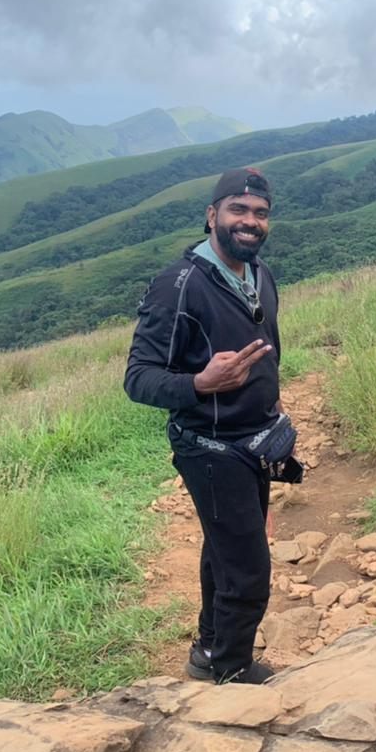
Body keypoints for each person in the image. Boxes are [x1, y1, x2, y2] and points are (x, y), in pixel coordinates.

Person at [124, 167, 283, 685]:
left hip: (255, 441)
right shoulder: (178, 287)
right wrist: (200, 383)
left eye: (260, 213)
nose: (250, 221)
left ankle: (210, 650)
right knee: (248, 570)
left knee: (225, 549)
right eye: (238, 210)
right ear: (212, 215)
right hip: (210, 449)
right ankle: (232, 671)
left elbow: (267, 354)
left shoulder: (258, 274)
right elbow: (138, 379)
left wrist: (274, 411)